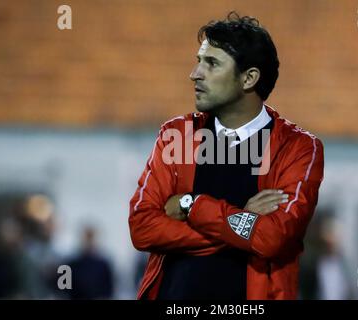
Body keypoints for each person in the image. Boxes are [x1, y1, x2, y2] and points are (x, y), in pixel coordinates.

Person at [129, 12, 324, 300]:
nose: (195, 73)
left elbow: (272, 239)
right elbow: (142, 228)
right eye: (199, 61)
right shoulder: (177, 135)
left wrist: (190, 205)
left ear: (249, 78)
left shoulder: (298, 149)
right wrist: (243, 224)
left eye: (212, 63)